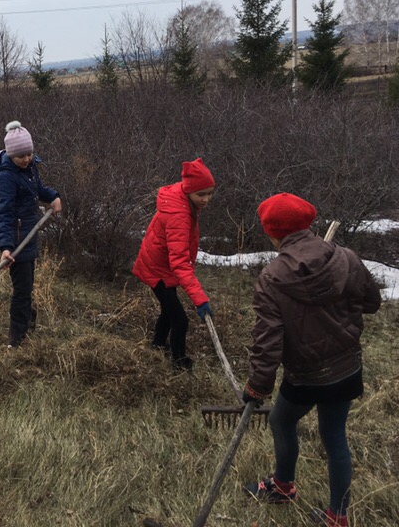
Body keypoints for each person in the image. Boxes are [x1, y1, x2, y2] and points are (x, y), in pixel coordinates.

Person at [242, 193, 381, 527]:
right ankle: (338, 517)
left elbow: (267, 343)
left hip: (306, 375)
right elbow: (372, 302)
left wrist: (257, 387)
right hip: (347, 367)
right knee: (334, 436)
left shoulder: (271, 278)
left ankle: (283, 486)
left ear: (271, 233)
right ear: (308, 223)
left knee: (280, 421)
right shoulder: (346, 257)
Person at [132, 158, 216, 370]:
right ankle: (179, 362)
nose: (206, 199)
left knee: (168, 311)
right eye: (201, 194)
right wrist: (199, 300)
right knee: (180, 319)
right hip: (157, 270)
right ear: (189, 191)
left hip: (161, 265)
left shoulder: (183, 199)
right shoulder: (178, 215)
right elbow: (179, 262)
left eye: (210, 193)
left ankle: (158, 345)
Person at [0, 121, 62, 348]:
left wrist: (53, 196)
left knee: (26, 284)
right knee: (22, 290)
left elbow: (37, 189)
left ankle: (28, 319)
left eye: (29, 154)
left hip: (29, 234)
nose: (26, 159)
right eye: (21, 156)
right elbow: (4, 214)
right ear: (11, 154)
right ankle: (17, 338)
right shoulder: (5, 177)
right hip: (17, 241)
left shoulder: (30, 167)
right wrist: (6, 246)